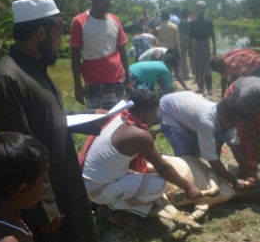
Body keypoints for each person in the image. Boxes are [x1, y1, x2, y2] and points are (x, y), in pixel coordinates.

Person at [0, 0, 99, 241]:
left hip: (63, 182)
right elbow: (19, 157)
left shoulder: (34, 69)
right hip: (46, 200)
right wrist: (45, 209)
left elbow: (48, 118)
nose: (61, 41)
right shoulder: (8, 79)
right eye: (59, 33)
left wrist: (91, 116)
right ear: (40, 33)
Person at [81, 89, 203, 219]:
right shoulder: (139, 135)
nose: (156, 116)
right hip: (98, 191)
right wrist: (189, 187)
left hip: (89, 182)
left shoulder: (120, 116)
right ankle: (117, 206)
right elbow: (163, 168)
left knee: (149, 171)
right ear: (143, 112)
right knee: (160, 185)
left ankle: (117, 201)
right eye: (154, 112)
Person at [158, 91, 253, 192]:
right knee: (185, 155)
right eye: (235, 123)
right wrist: (234, 181)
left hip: (185, 106)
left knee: (215, 139)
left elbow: (235, 144)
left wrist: (246, 173)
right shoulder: (206, 121)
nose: (236, 126)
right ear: (224, 117)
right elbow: (210, 157)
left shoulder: (228, 117)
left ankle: (214, 172)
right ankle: (183, 184)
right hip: (168, 110)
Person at [70, 0, 132, 110]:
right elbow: (75, 57)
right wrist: (77, 85)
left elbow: (122, 51)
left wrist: (129, 80)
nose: (108, 3)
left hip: (117, 80)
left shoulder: (115, 20)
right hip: (93, 82)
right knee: (98, 124)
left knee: (117, 121)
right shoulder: (79, 22)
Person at [0, 132, 50, 242]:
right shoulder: (8, 239)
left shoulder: (3, 220)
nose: (45, 184)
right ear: (23, 191)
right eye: (44, 180)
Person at [189, 0, 216, 95]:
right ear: (196, 9)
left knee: (207, 66)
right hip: (196, 45)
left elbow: (213, 35)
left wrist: (214, 48)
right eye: (199, 7)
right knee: (197, 66)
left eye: (202, 7)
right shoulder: (193, 23)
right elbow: (191, 37)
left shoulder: (209, 22)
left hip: (205, 44)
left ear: (205, 9)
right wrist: (189, 50)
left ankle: (209, 88)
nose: (200, 9)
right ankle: (200, 87)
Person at [178, 8, 191, 80]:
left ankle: (186, 75)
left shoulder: (179, 24)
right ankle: (194, 74)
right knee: (192, 58)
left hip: (182, 41)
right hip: (190, 41)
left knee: (183, 59)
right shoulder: (190, 23)